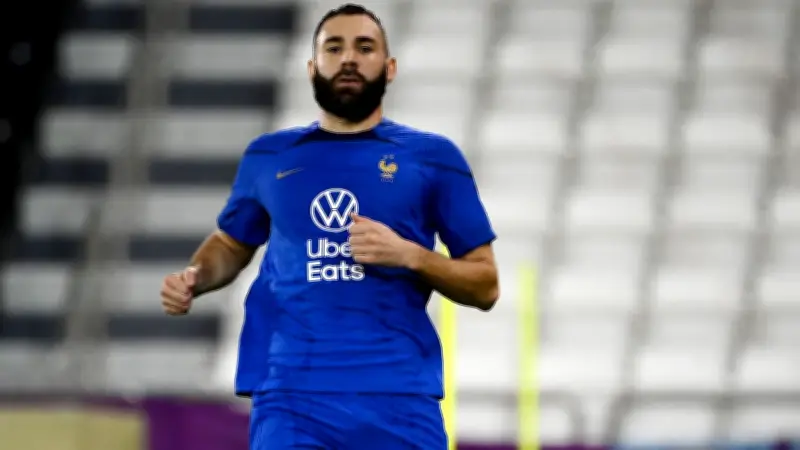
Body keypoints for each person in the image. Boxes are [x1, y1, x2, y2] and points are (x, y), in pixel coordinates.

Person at [159, 3, 499, 449]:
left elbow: (485, 285)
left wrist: (411, 255)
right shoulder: (269, 155)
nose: (349, 59)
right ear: (312, 67)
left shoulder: (433, 157)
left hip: (397, 396)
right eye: (334, 48)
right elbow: (231, 242)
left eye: (365, 48)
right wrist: (197, 276)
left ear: (390, 67)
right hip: (290, 396)